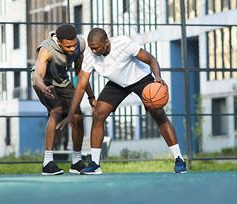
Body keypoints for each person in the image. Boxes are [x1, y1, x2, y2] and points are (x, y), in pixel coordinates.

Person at [57, 28, 186, 174]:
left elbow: (151, 60)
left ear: (106, 43)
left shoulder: (123, 43)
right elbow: (80, 87)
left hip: (140, 78)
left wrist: (157, 77)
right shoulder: (89, 56)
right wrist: (70, 114)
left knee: (159, 115)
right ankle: (95, 164)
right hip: (117, 83)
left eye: (96, 47)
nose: (93, 51)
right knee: (98, 114)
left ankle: (179, 159)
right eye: (91, 47)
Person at [32, 24, 96, 175]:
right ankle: (48, 163)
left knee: (78, 117)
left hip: (61, 81)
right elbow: (38, 76)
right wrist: (44, 87)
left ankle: (76, 162)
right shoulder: (46, 49)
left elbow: (81, 73)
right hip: (44, 82)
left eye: (74, 44)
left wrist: (91, 97)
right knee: (56, 111)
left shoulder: (80, 44)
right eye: (68, 47)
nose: (72, 49)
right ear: (59, 42)